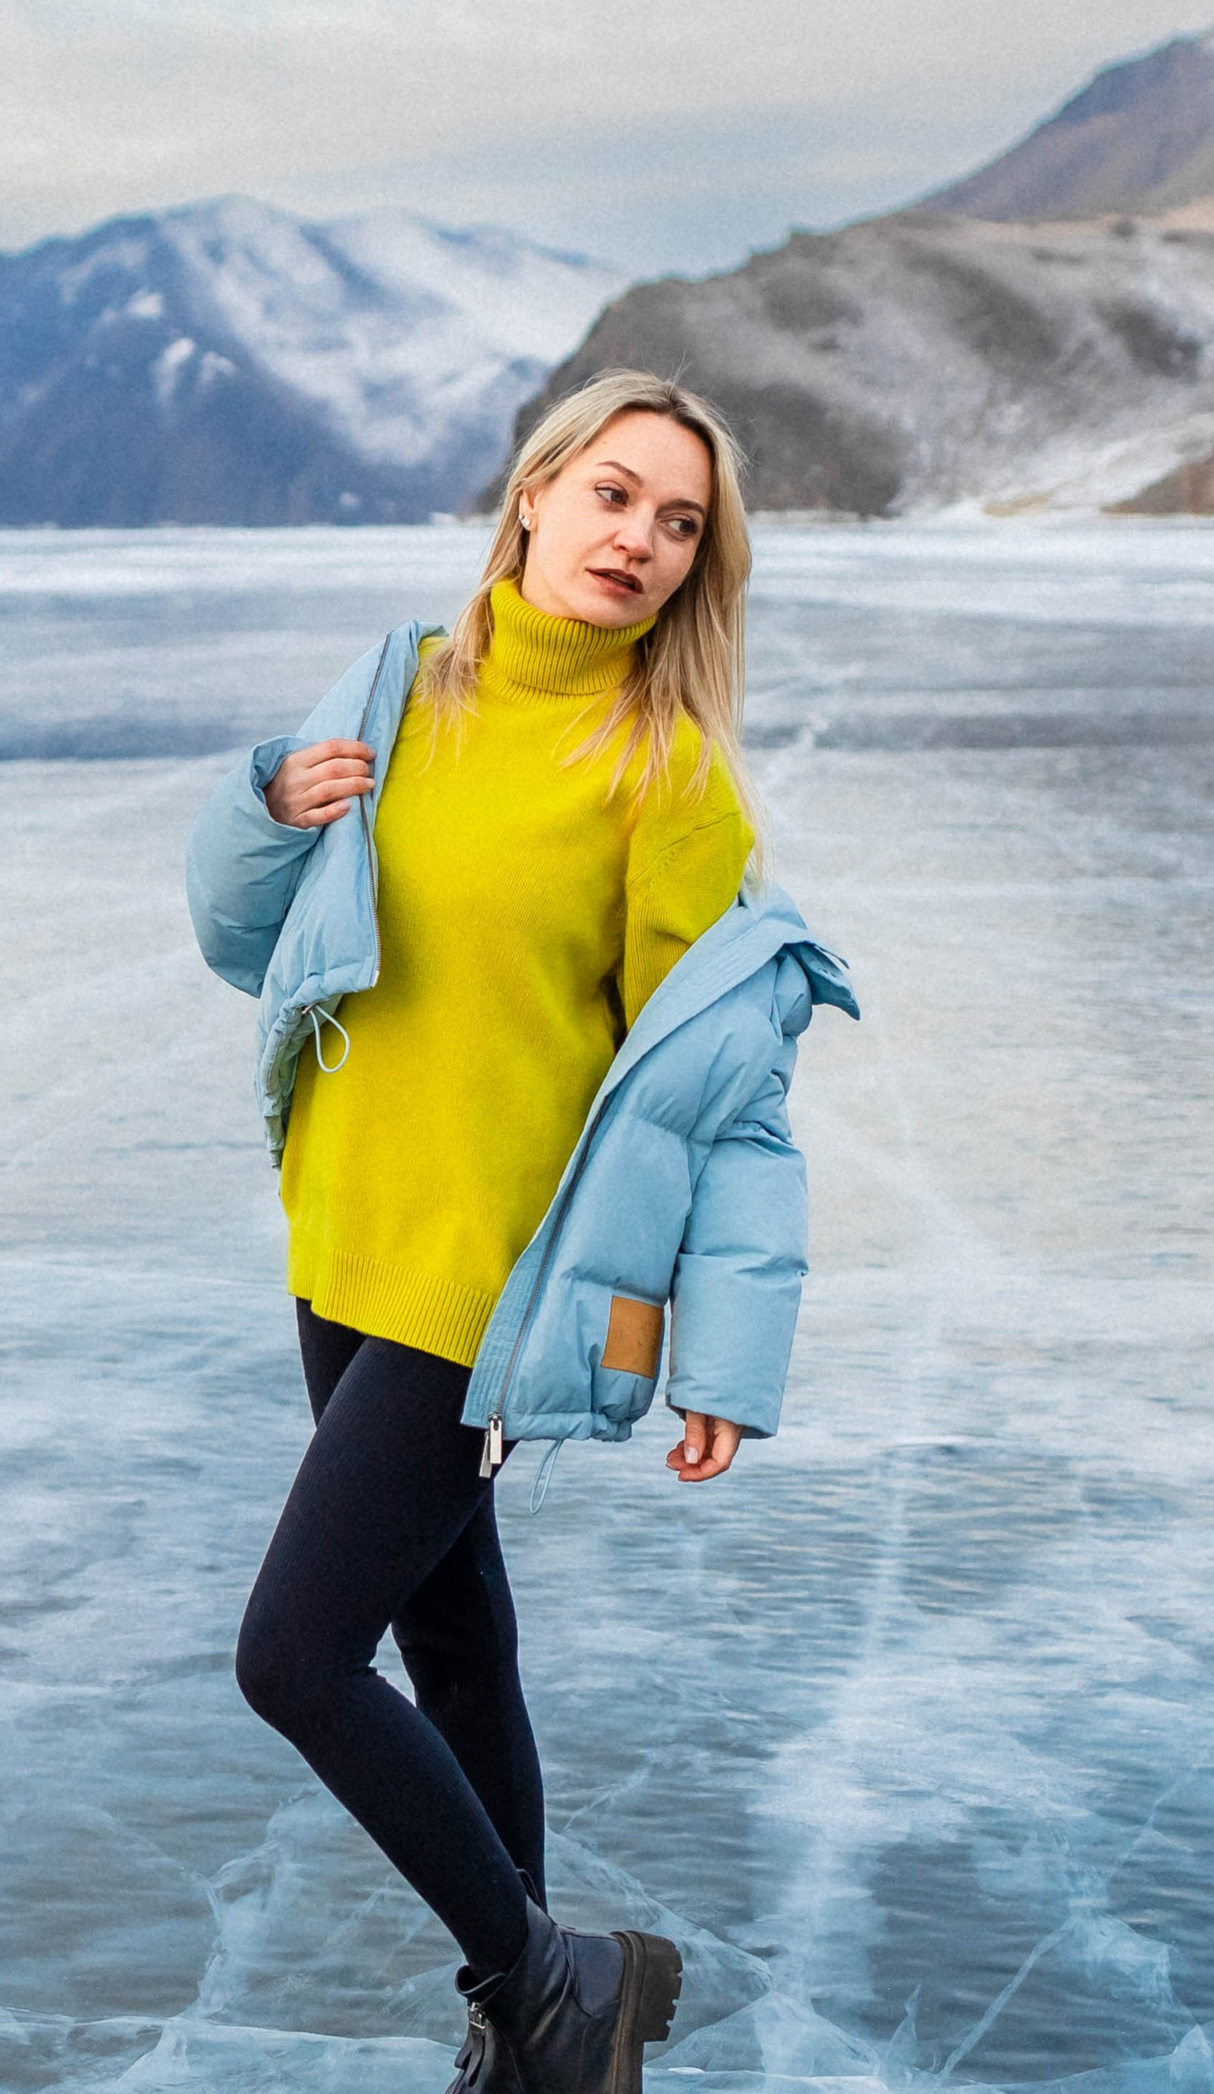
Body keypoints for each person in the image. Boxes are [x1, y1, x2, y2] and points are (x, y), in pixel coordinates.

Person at [185, 371, 854, 2093]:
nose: (640, 539)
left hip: (484, 1288)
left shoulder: (662, 773)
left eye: (680, 522)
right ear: (538, 492)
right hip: (344, 1235)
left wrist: (723, 1348)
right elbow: (258, 941)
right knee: (452, 1633)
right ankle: (550, 2018)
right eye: (616, 496)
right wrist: (260, 809)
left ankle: (546, 1984)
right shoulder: (399, 690)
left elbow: (728, 1094)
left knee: (296, 1657)